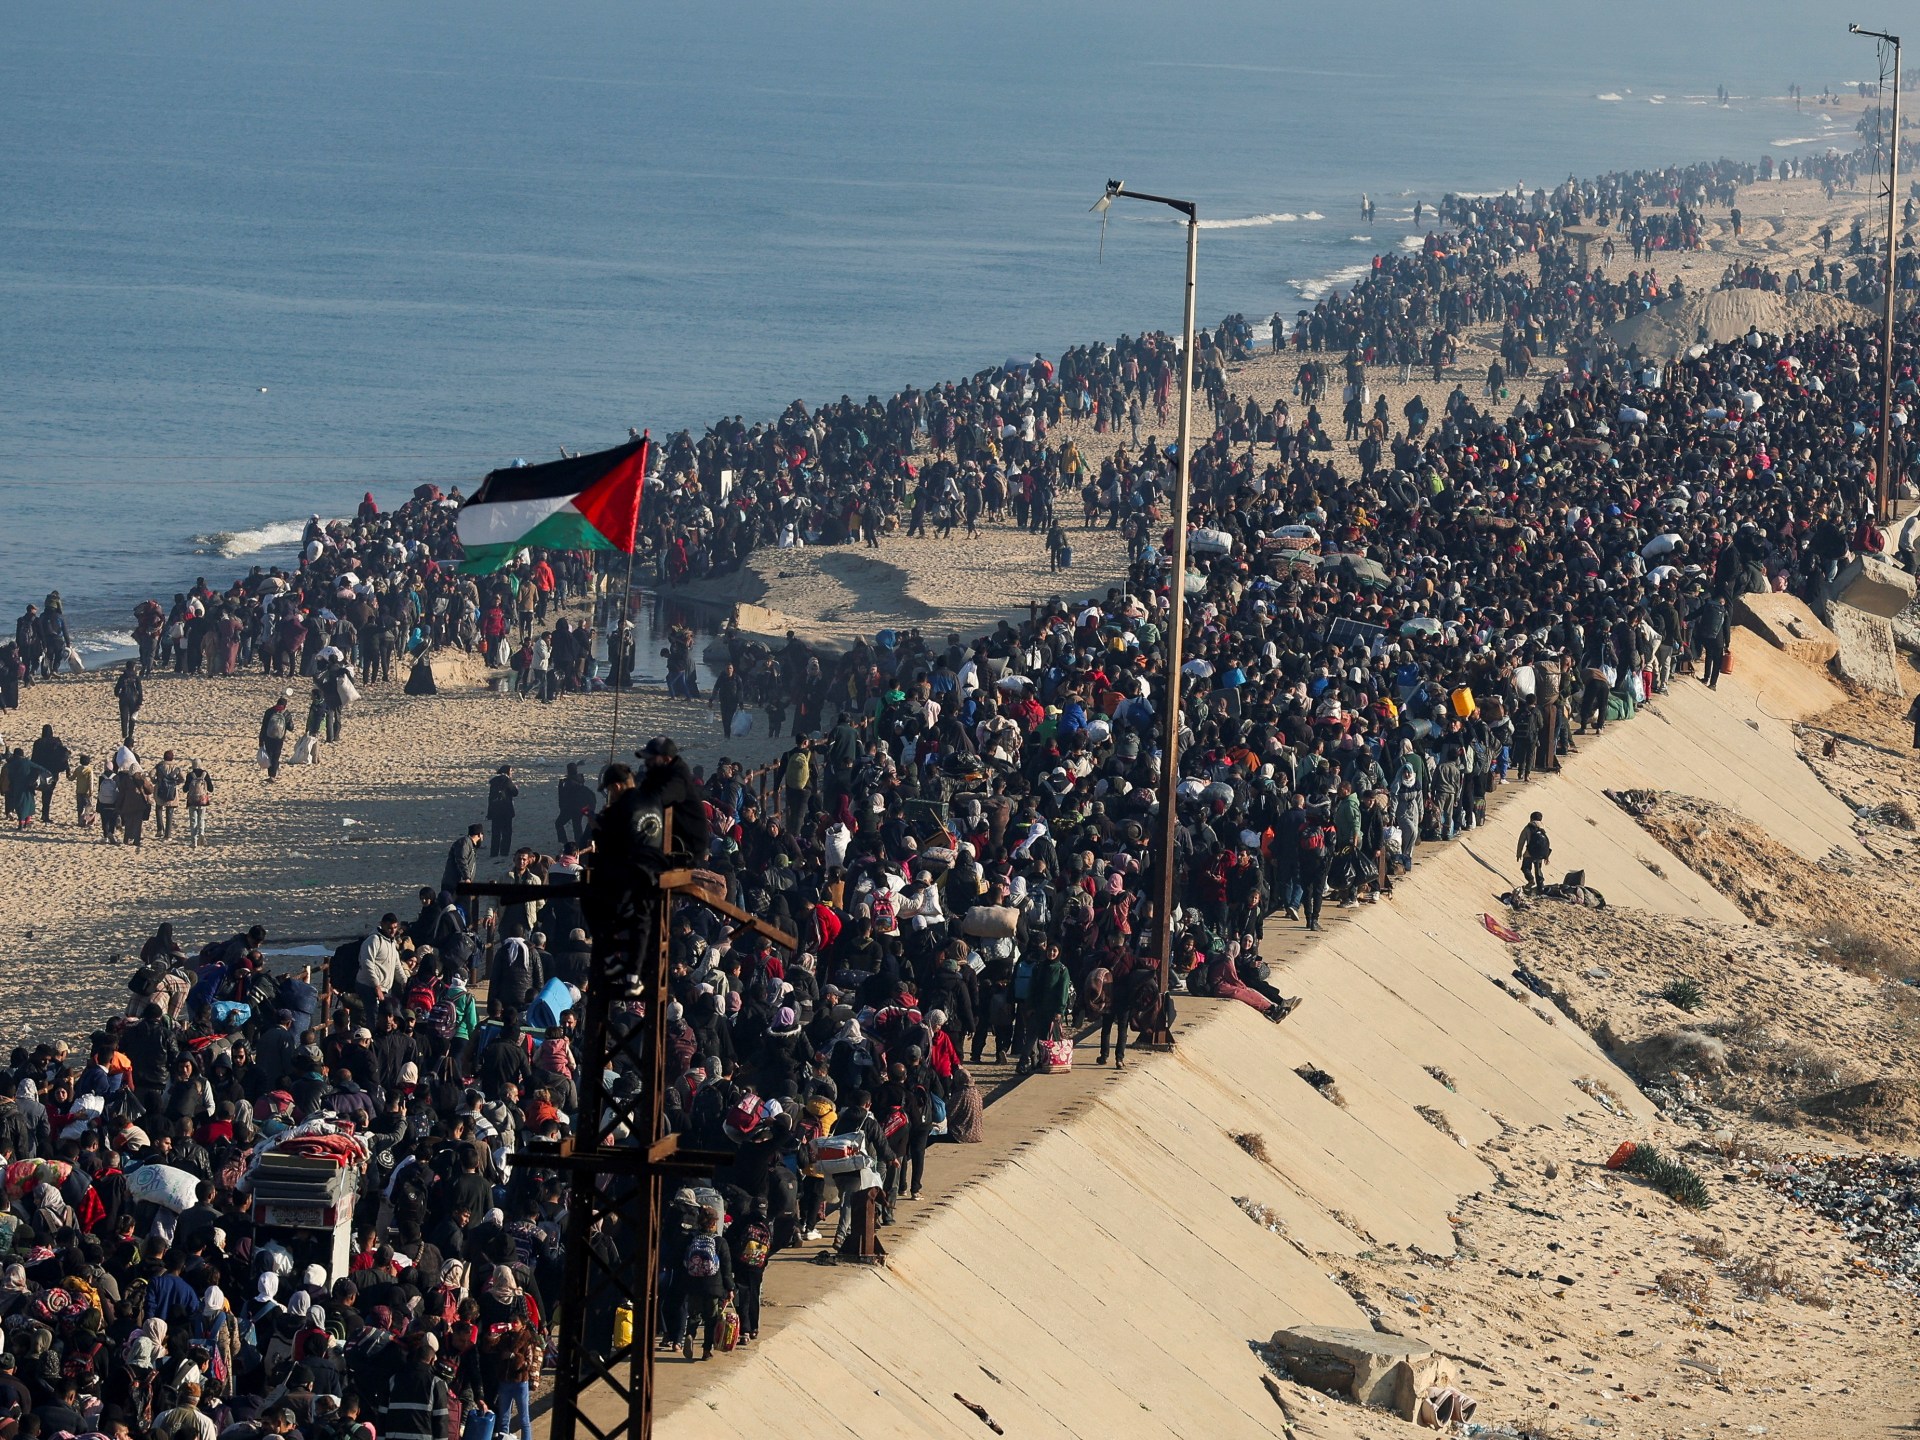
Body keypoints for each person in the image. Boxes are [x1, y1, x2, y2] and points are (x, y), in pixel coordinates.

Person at [259, 691, 293, 780]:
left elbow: (264, 726)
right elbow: (291, 727)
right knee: (276, 756)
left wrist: (261, 739)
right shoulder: (286, 713)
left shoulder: (269, 711)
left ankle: (270, 775)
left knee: (269, 755)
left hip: (268, 737)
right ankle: (273, 775)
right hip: (279, 738)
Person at [487, 766, 519, 859]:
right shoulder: (507, 780)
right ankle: (504, 852)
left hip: (495, 810)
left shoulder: (493, 781)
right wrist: (516, 787)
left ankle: (494, 852)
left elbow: (490, 797)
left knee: (495, 832)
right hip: (506, 810)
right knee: (506, 832)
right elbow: (515, 793)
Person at [1517, 811, 1551, 893]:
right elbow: (1545, 843)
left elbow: (1521, 841)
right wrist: (1546, 856)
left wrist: (1519, 853)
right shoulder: (1543, 827)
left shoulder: (1528, 827)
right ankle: (1541, 887)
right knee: (1538, 870)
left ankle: (1531, 879)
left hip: (1530, 852)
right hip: (1540, 853)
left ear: (1531, 818)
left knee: (1525, 868)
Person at [114, 661, 144, 746]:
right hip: (134, 699)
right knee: (132, 718)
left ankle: (124, 734)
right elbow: (140, 691)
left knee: (124, 717)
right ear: (133, 667)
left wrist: (118, 695)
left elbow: (116, 689)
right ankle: (130, 734)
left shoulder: (122, 677)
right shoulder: (136, 678)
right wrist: (140, 702)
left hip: (123, 698)